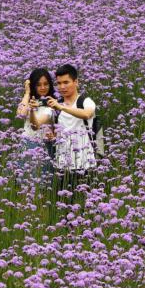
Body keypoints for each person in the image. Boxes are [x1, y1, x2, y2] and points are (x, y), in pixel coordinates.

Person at [46, 64, 97, 193]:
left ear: (76, 82)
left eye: (66, 82)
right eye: (59, 83)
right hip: (61, 165)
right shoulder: (57, 105)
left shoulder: (85, 101)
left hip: (84, 164)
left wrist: (62, 107)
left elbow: (87, 114)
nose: (62, 87)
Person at [15, 68, 57, 180]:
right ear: (33, 85)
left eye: (46, 84)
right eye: (38, 85)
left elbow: (36, 126)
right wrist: (27, 93)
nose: (43, 88)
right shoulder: (30, 101)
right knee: (25, 183)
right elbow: (21, 114)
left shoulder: (51, 105)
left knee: (41, 184)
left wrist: (32, 111)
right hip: (26, 144)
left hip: (42, 146)